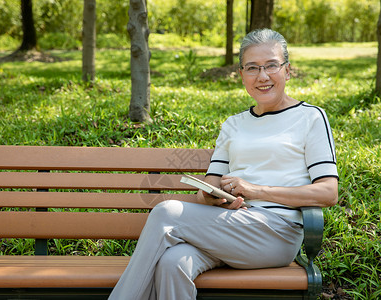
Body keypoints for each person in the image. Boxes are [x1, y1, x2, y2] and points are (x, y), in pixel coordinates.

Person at [108, 28, 339, 300]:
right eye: (252, 68)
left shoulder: (311, 118)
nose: (262, 76)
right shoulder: (234, 124)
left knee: (165, 213)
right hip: (228, 225)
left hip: (275, 233)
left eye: (271, 66)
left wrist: (255, 191)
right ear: (242, 75)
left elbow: (328, 192)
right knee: (174, 262)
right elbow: (208, 187)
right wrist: (213, 197)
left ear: (287, 71)